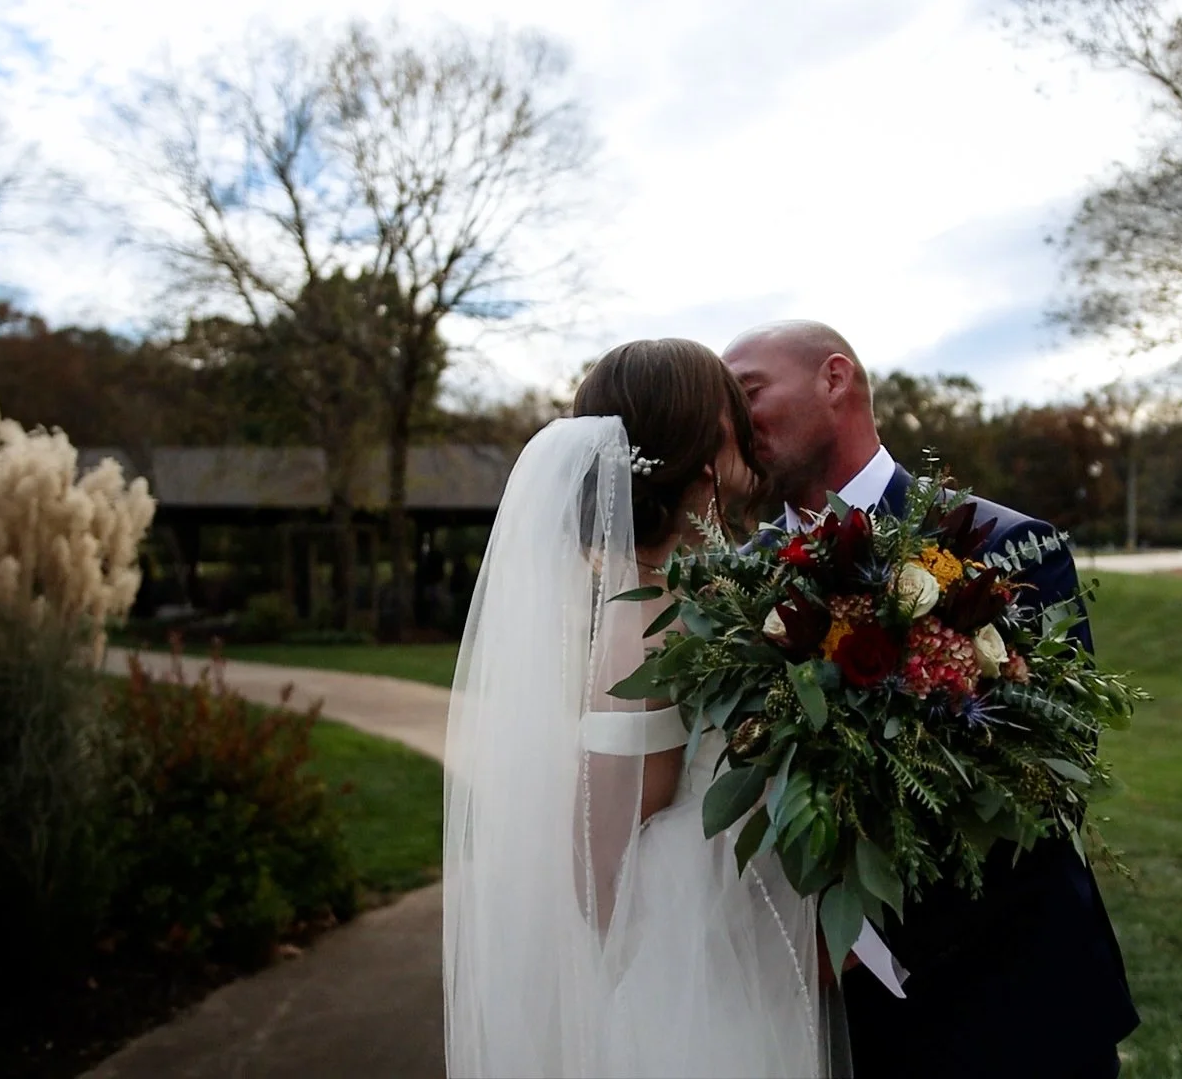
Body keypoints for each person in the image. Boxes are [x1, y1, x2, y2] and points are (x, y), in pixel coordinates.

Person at [723, 320, 1139, 1079]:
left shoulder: (1007, 547)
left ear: (835, 379)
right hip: (812, 1029)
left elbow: (1043, 784)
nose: (731, 420)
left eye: (747, 393)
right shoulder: (736, 584)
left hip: (1013, 1010)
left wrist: (859, 944)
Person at [442, 338, 842, 1078]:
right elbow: (598, 860)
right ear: (706, 447)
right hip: (692, 982)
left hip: (737, 948)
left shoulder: (692, 598)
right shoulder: (646, 622)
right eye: (735, 411)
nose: (750, 432)